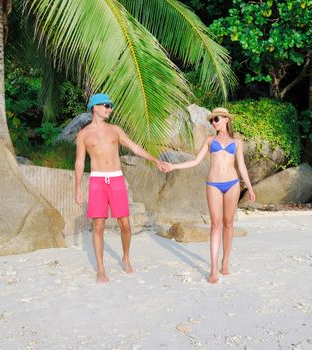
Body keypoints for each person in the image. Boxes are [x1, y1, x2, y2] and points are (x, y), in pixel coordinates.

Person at [75, 93, 166, 283]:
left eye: (111, 106)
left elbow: (134, 147)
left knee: (125, 223)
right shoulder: (83, 135)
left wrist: (155, 159)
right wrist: (77, 188)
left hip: (116, 179)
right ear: (95, 107)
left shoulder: (115, 130)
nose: (110, 109)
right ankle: (100, 269)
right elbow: (79, 161)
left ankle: (126, 256)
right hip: (97, 181)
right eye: (107, 105)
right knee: (98, 225)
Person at [164, 107, 256, 283]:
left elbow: (241, 165)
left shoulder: (237, 142)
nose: (214, 122)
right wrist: (173, 166)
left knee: (228, 224)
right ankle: (213, 268)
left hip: (233, 184)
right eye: (212, 120)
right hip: (213, 184)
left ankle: (225, 262)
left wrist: (250, 187)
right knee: (216, 224)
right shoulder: (209, 140)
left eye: (217, 119)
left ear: (226, 120)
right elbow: (195, 161)